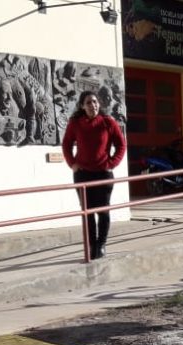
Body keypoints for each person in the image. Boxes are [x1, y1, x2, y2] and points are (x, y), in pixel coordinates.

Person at [61, 91, 126, 259]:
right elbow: (66, 144)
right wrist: (72, 164)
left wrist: (111, 163)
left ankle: (101, 244)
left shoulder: (108, 122)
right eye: (88, 102)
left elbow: (121, 145)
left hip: (103, 174)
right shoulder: (75, 123)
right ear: (82, 106)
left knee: (103, 211)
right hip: (83, 174)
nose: (93, 105)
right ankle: (92, 246)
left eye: (95, 102)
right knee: (88, 212)